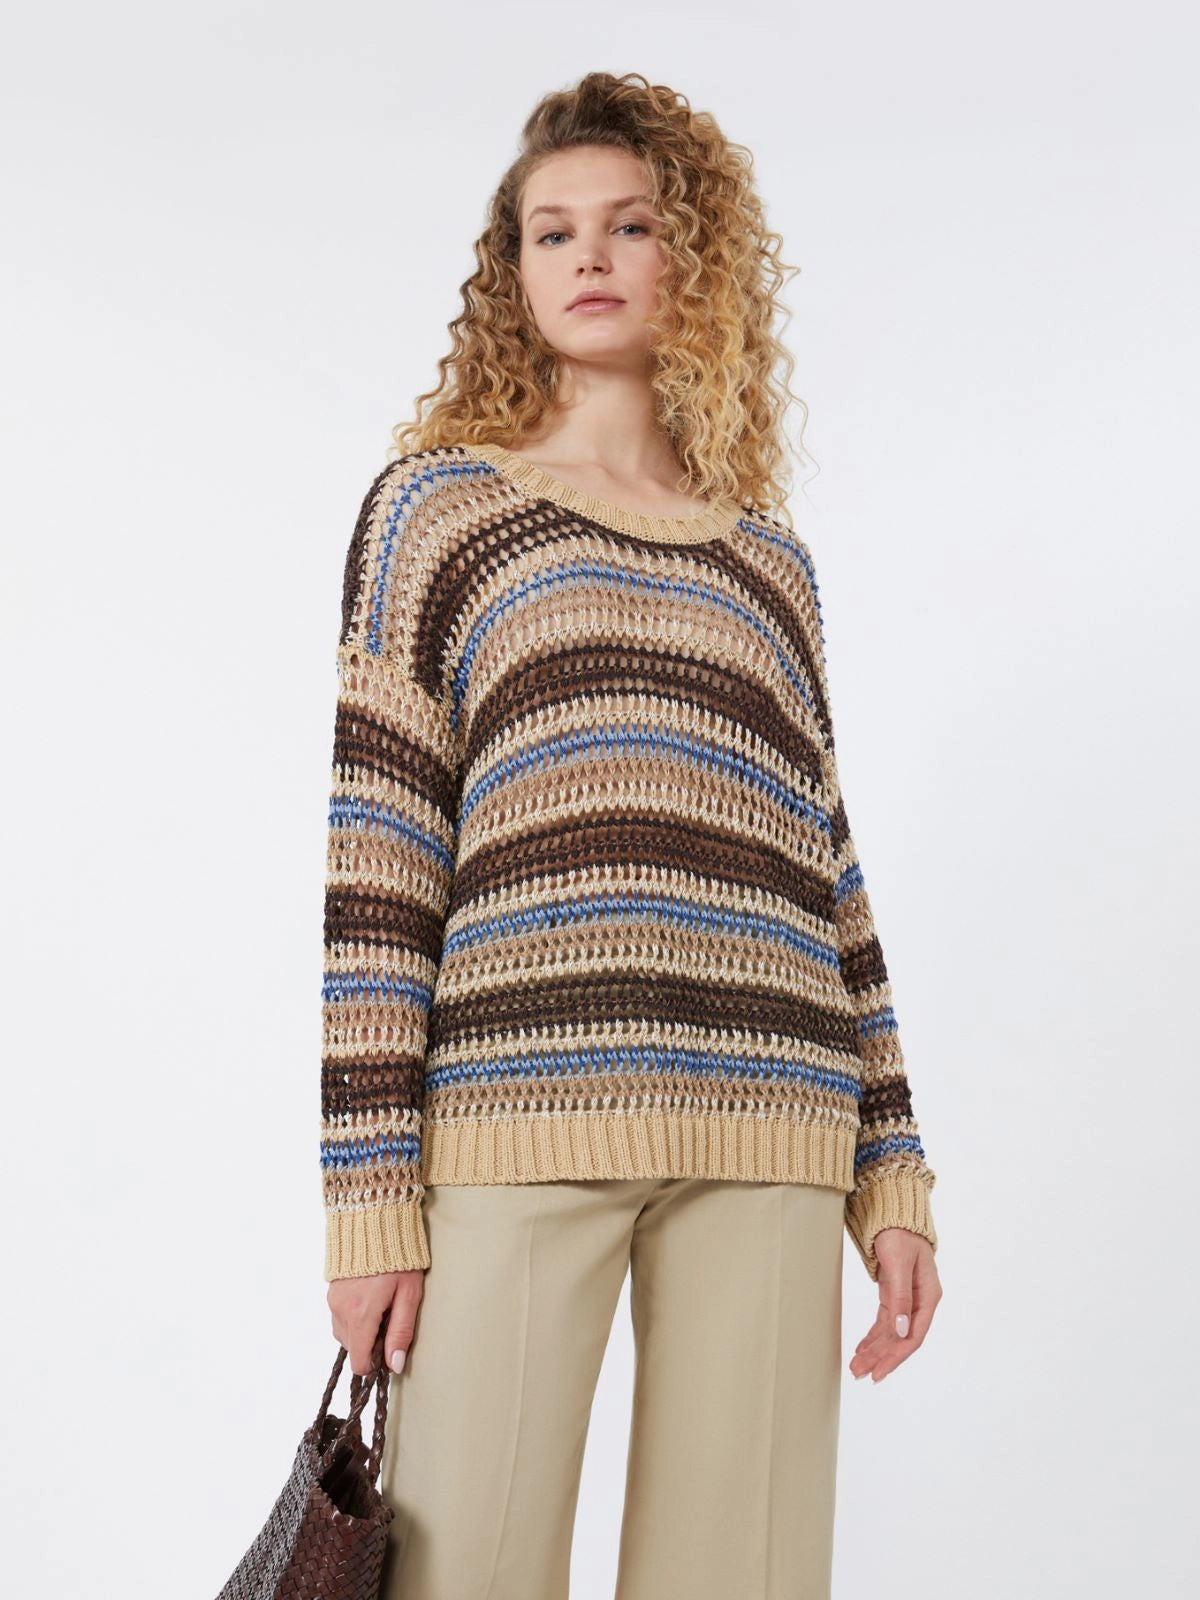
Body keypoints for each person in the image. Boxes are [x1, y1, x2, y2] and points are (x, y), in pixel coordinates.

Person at [320, 70, 942, 1600]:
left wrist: (895, 1171)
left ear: (692, 259)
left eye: (629, 225)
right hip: (518, 1113)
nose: (588, 256)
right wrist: (366, 1200)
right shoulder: (438, 516)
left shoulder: (770, 562)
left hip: (775, 1121)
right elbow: (377, 872)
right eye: (552, 232)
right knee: (461, 1569)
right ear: (514, 271)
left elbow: (828, 870)